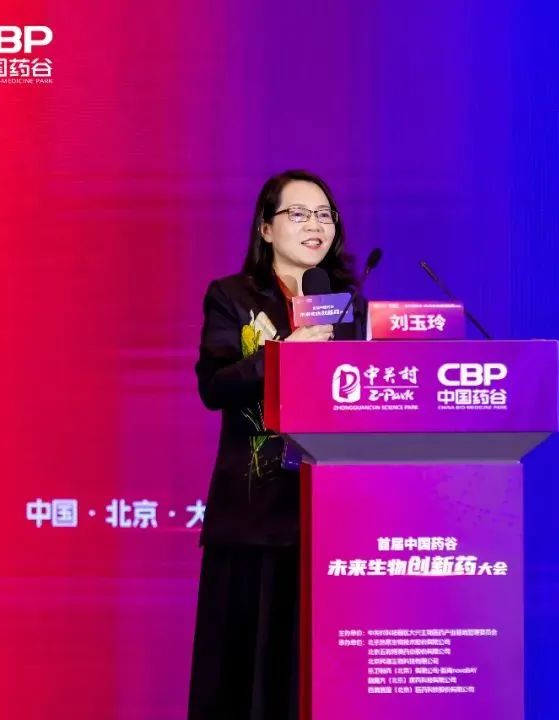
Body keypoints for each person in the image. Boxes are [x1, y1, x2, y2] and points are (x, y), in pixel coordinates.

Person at [188, 170, 367, 719]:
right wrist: (284, 354)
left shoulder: (349, 305)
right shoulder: (232, 296)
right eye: (300, 214)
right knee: (245, 676)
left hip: (332, 515)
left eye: (324, 215)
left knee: (313, 677)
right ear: (266, 228)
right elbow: (215, 387)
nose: (316, 225)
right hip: (255, 513)